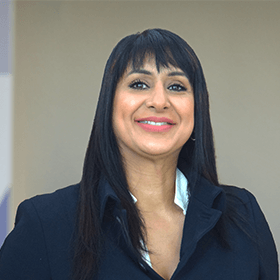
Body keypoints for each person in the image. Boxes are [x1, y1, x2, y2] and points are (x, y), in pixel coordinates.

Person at [0, 28, 278, 280]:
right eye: (139, 84)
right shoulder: (45, 224)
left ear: (197, 109)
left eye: (177, 86)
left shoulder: (243, 216)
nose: (159, 101)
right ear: (109, 106)